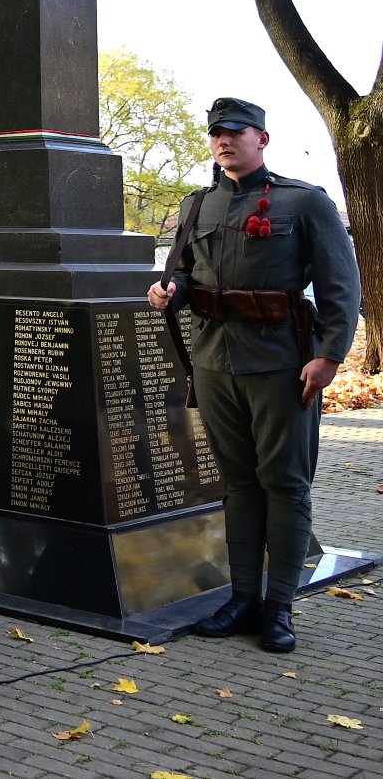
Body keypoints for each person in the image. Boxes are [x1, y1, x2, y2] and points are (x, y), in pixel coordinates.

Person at [148, 97, 360, 654]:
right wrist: (172, 291)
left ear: (261, 138)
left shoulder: (304, 201)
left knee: (285, 484)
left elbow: (341, 285)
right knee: (239, 483)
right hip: (216, 361)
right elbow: (188, 276)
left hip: (284, 364)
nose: (224, 142)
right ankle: (242, 599)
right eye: (217, 134)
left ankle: (280, 608)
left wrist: (330, 354)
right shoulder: (198, 206)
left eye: (235, 132)